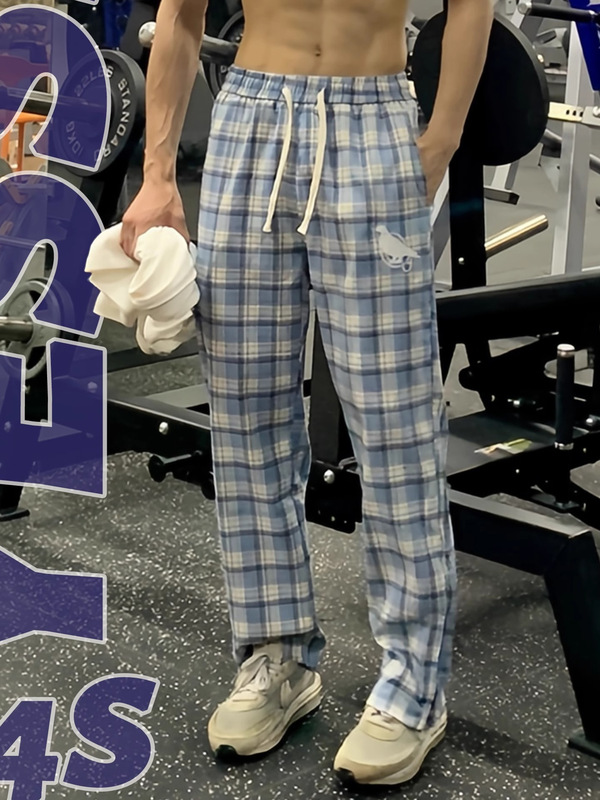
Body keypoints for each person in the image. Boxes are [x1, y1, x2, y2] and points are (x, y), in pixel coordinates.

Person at [121, 0, 493, 787]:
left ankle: (414, 687)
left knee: (395, 426)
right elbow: (180, 15)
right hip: (250, 123)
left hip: (375, 126)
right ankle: (277, 656)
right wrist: (156, 176)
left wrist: (440, 141)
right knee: (246, 413)